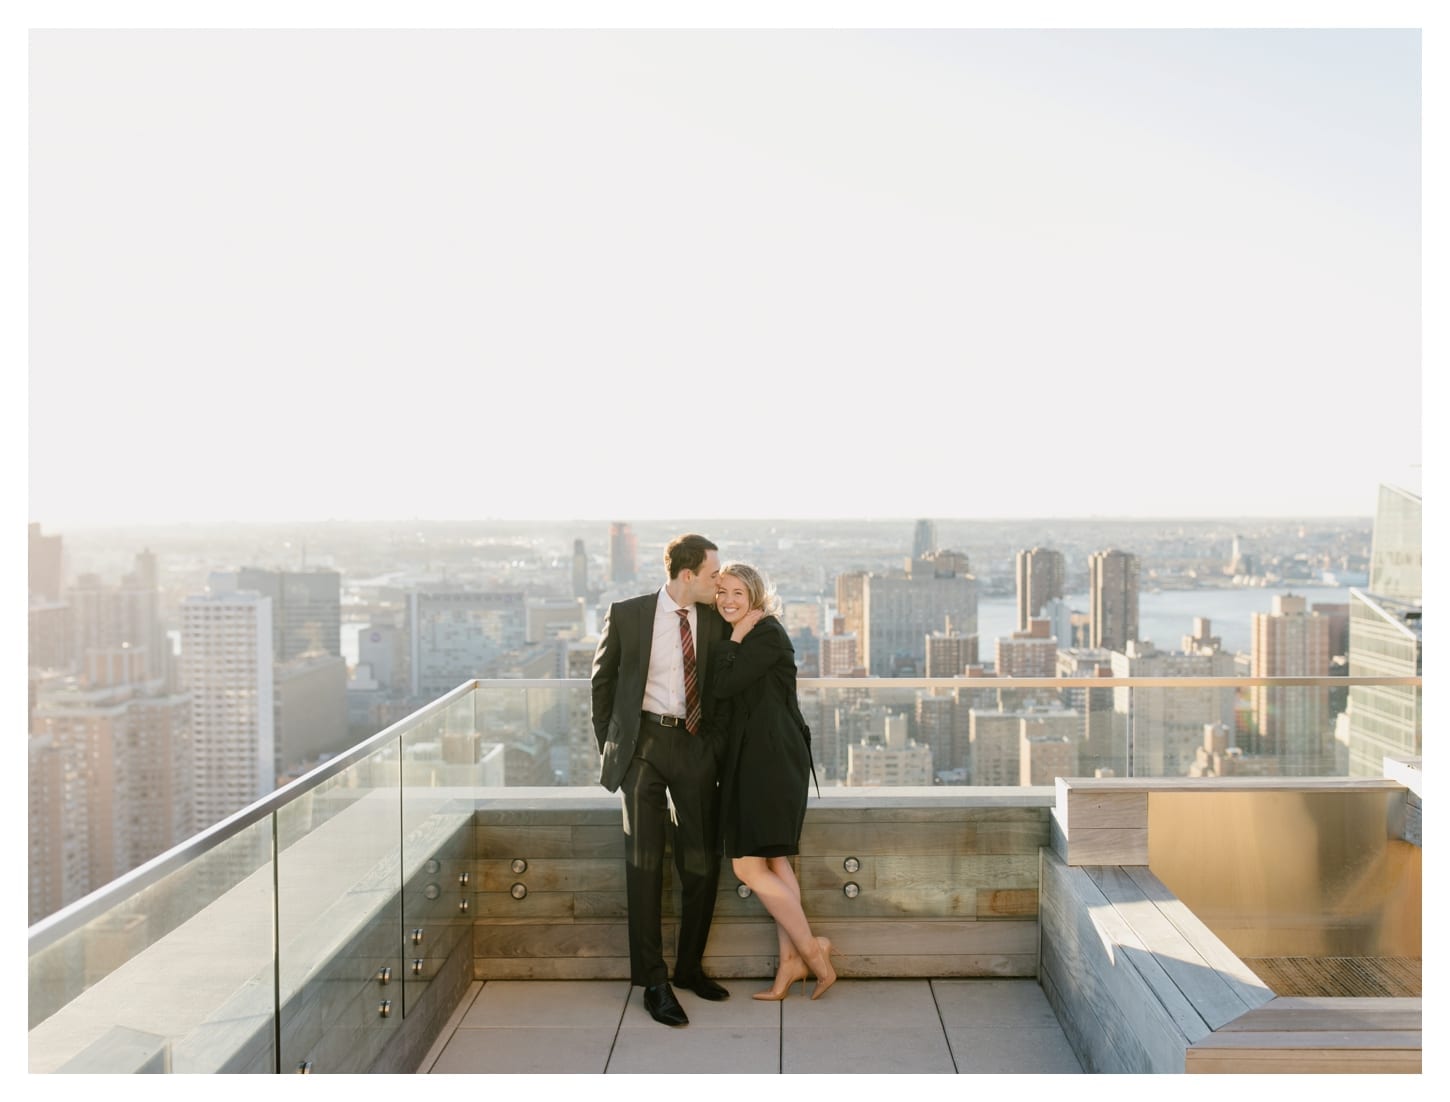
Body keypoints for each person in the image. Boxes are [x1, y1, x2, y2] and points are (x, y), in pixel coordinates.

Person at [591, 533, 731, 1027]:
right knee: (644, 865)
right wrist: (618, 753)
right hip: (643, 748)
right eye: (714, 574)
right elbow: (602, 684)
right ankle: (654, 981)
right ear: (687, 575)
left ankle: (690, 967)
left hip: (696, 748)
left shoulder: (716, 620)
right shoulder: (627, 614)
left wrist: (712, 748)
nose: (720, 582)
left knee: (701, 863)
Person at [711, 562, 839, 1000]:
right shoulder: (756, 631)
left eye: (737, 595)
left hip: (768, 761)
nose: (727, 601)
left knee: (747, 865)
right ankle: (789, 965)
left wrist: (733, 638)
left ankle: (814, 953)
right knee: (775, 860)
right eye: (721, 592)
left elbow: (724, 685)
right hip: (762, 758)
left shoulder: (764, 634)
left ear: (756, 599)